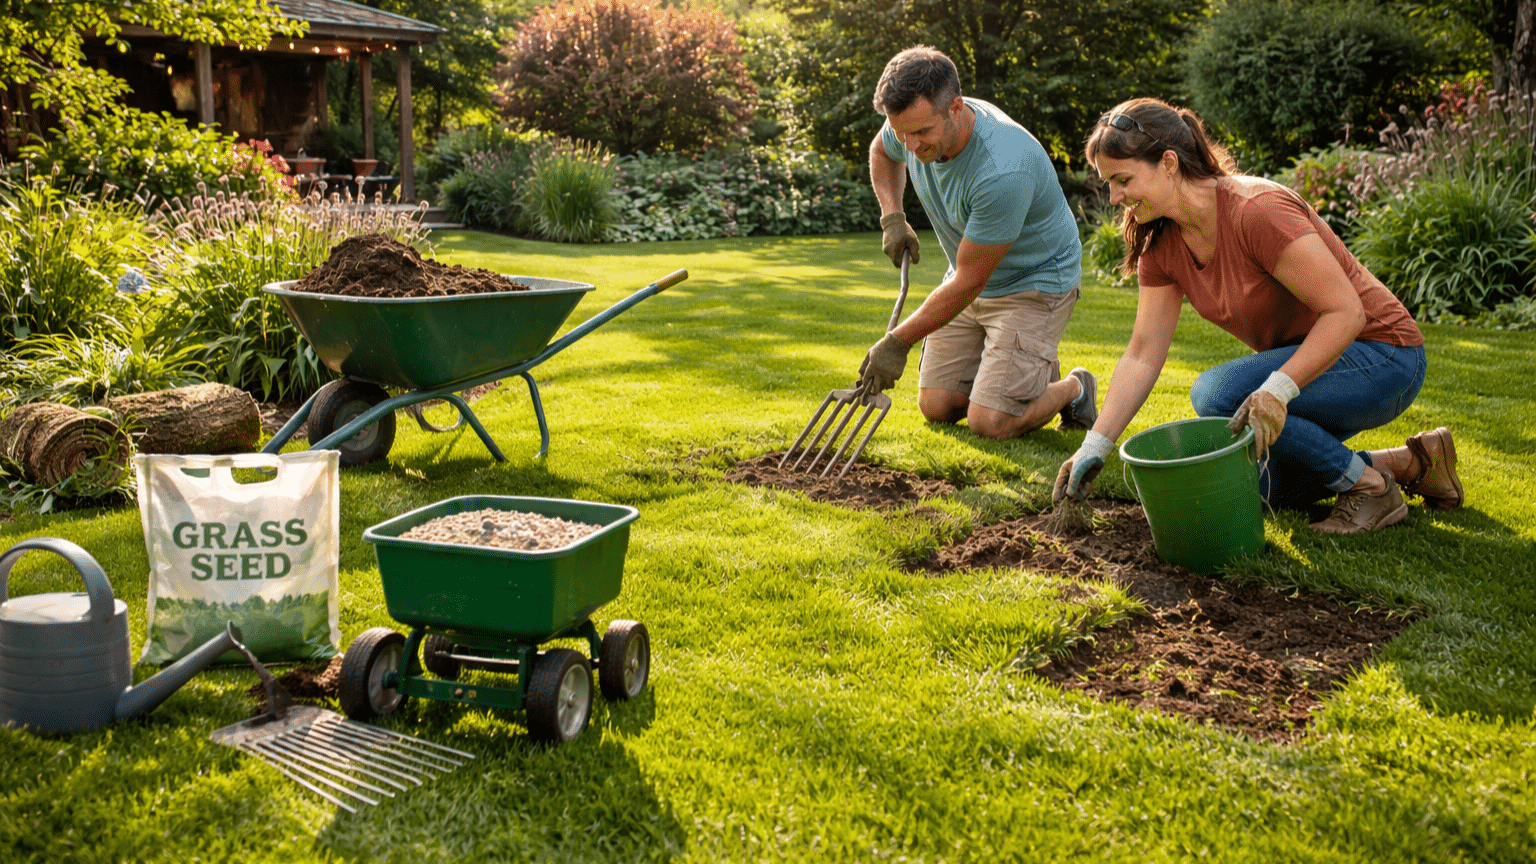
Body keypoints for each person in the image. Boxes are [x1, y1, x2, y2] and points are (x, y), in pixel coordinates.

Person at [1054, 97, 1463, 534]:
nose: (1115, 197)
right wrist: (1095, 444)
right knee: (1253, 485)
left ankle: (1369, 488)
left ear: (1168, 163)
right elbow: (1142, 354)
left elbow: (1346, 313)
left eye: (1123, 180)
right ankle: (1415, 463)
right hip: (1318, 366)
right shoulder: (1162, 245)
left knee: (1218, 394)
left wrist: (1276, 390)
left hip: (1383, 357)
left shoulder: (1256, 211)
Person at [858, 46, 1098, 439]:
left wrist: (897, 342)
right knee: (937, 407)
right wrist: (893, 217)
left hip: (1033, 283)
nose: (912, 147)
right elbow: (882, 151)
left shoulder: (1003, 167)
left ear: (955, 108)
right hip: (969, 276)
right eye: (904, 133)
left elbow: (970, 282)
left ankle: (1074, 387)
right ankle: (1024, 376)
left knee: (989, 422)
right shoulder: (911, 125)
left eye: (921, 133)